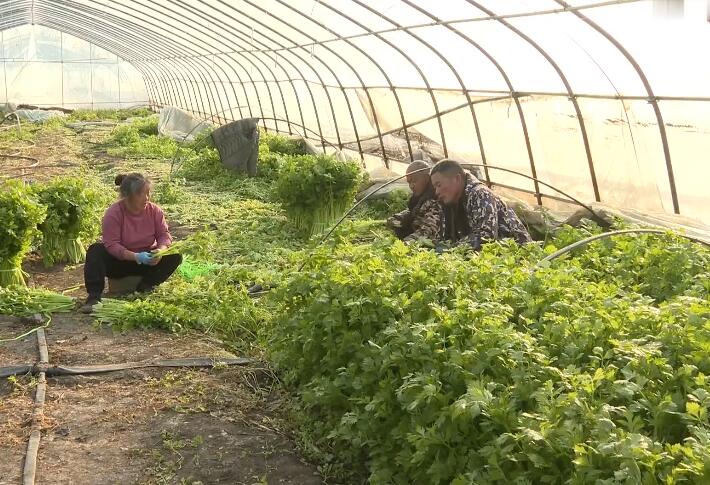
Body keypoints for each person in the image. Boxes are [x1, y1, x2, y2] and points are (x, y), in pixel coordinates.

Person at [80, 173, 182, 313]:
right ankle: (94, 297)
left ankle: (145, 286)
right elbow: (112, 245)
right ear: (128, 195)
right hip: (120, 263)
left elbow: (164, 235)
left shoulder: (154, 211)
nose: (147, 198)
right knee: (95, 251)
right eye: (141, 194)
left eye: (148, 193)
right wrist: (136, 256)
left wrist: (160, 250)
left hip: (148, 261)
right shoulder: (113, 213)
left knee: (175, 255)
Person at [429, 159, 532, 250]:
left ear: (457, 179)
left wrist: (451, 249)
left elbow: (486, 236)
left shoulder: (480, 193)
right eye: (435, 187)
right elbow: (445, 237)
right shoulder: (452, 204)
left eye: (439, 185)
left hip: (518, 257)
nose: (436, 192)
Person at [386, 160, 443, 243]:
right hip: (417, 229)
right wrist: (398, 218)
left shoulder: (436, 198)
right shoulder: (421, 195)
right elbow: (414, 210)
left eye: (414, 181)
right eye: (409, 182)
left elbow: (428, 231)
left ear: (427, 178)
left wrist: (406, 243)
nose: (411, 186)